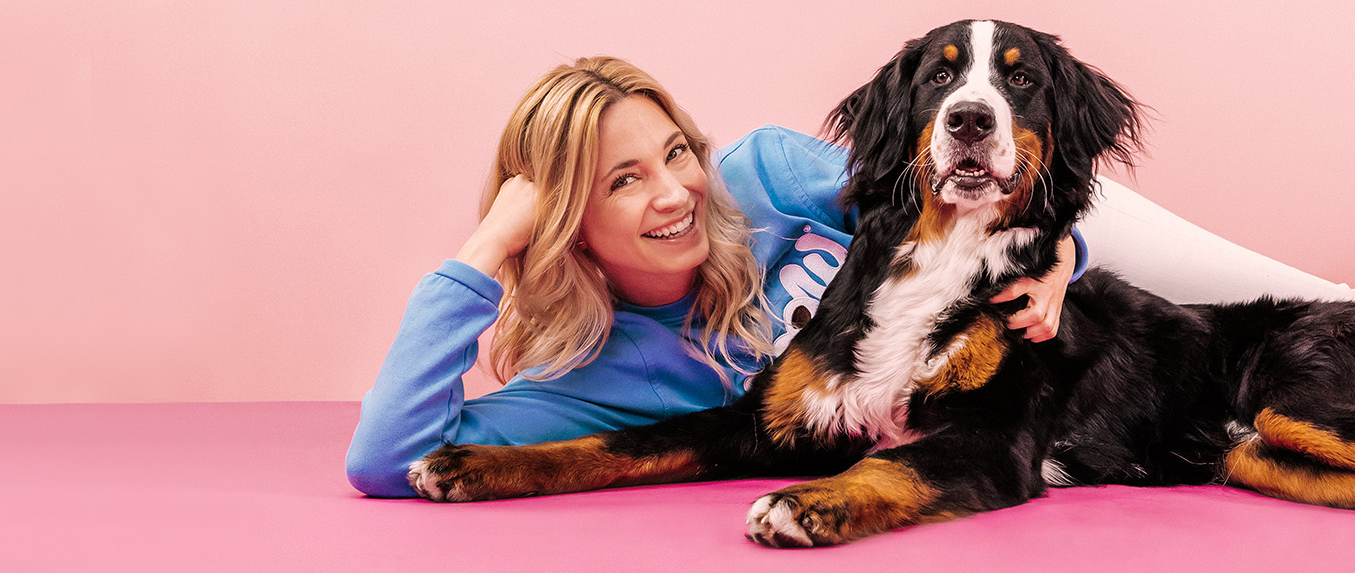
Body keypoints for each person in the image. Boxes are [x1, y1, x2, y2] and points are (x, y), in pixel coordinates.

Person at [345, 56, 1353, 499]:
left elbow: (977, 195)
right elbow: (386, 463)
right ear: (568, 221)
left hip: (1059, 286)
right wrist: (484, 254)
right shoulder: (607, 373)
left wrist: (1061, 255)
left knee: (1281, 320)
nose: (675, 193)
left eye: (674, 152)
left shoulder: (760, 177)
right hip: (1000, 400)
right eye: (623, 180)